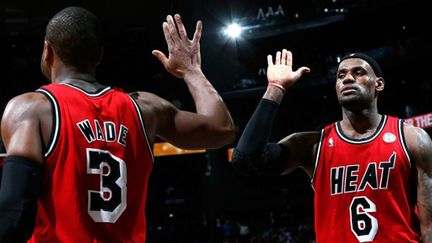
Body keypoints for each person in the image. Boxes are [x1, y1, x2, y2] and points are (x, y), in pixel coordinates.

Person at [0, 6, 235, 242]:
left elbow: (14, 214)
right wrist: (192, 71)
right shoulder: (145, 108)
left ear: (47, 50)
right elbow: (222, 130)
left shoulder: (31, 109)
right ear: (99, 56)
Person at [231, 49, 432, 242]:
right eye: (341, 75)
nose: (347, 78)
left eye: (358, 72)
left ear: (379, 84)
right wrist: (275, 88)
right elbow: (246, 159)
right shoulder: (313, 145)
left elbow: (429, 225)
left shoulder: (412, 139)